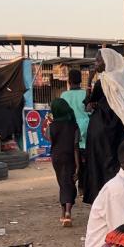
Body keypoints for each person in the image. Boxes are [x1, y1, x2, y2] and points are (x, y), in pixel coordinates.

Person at [81, 49, 124, 204]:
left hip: (100, 129)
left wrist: (89, 81)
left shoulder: (103, 81)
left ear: (108, 62)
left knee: (98, 164)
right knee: (115, 163)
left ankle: (100, 198)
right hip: (119, 128)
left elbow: (88, 102)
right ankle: (116, 198)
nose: (95, 64)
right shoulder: (123, 80)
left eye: (98, 60)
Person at [48, 97, 80, 227]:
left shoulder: (51, 127)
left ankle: (63, 213)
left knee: (62, 182)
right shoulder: (74, 126)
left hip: (56, 158)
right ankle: (67, 212)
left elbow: (50, 138)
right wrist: (78, 166)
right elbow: (76, 147)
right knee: (69, 183)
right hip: (70, 157)